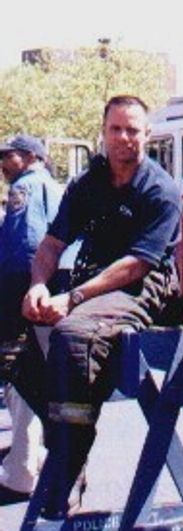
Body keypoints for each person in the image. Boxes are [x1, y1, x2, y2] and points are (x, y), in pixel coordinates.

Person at [15, 96, 183, 519]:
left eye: (133, 130)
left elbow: (138, 263)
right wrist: (37, 286)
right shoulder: (87, 185)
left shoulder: (160, 189)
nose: (124, 138)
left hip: (143, 286)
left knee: (73, 334)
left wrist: (71, 298)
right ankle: (64, 441)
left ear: (147, 135)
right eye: (116, 130)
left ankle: (69, 461)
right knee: (23, 350)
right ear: (103, 132)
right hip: (94, 286)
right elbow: (53, 243)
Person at [0, 135, 61, 504]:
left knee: (19, 378)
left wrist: (9, 300)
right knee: (39, 378)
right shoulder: (53, 187)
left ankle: (21, 470)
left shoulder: (25, 187)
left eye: (8, 157)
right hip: (49, 296)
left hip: (23, 298)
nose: (3, 165)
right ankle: (33, 457)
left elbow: (25, 249)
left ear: (29, 157)